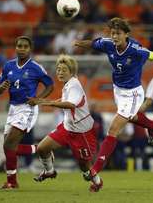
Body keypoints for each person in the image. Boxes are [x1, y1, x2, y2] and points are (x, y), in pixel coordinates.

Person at [74, 17, 153, 190]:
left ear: (126, 34)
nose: (114, 36)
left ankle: (96, 169)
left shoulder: (137, 50)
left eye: (118, 33)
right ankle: (152, 125)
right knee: (131, 117)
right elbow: (92, 43)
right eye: (113, 33)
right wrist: (77, 43)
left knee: (113, 129)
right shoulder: (108, 44)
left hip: (134, 93)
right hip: (118, 91)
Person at [28, 55, 103, 192]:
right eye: (58, 70)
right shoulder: (68, 84)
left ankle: (97, 182)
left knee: (84, 165)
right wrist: (44, 101)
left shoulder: (74, 85)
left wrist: (48, 103)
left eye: (64, 70)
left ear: (72, 71)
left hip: (82, 131)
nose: (60, 72)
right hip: (67, 127)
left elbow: (70, 104)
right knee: (42, 148)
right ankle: (49, 171)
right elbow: (63, 99)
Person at [0, 36, 54, 189]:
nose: (21, 49)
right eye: (19, 46)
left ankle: (13, 180)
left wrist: (38, 99)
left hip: (27, 108)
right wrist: (1, 88)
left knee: (9, 144)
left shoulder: (36, 67)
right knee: (7, 147)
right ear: (15, 48)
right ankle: (12, 181)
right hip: (13, 108)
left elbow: (50, 85)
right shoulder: (8, 66)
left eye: (25, 46)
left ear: (30, 49)